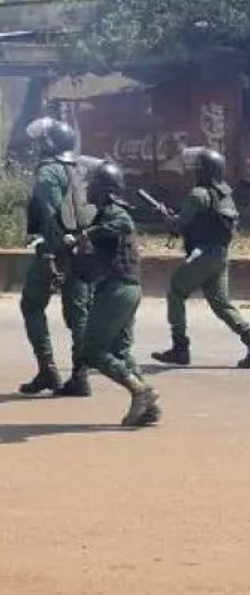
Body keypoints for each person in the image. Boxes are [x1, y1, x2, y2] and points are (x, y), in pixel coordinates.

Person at [149, 147, 250, 369]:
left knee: (176, 291)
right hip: (221, 255)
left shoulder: (198, 195)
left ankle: (180, 347)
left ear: (202, 171)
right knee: (222, 304)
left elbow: (179, 224)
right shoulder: (225, 195)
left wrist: (164, 215)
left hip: (202, 255)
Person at [72, 161, 162, 427]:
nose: (88, 188)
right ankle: (148, 407)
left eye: (93, 185)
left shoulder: (115, 213)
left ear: (104, 190)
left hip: (118, 289)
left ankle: (139, 390)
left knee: (91, 351)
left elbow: (119, 226)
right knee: (120, 351)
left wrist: (84, 235)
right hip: (124, 288)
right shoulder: (105, 215)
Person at [19, 117, 95, 397]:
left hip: (54, 250)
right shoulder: (79, 168)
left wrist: (52, 250)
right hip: (82, 248)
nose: (36, 146)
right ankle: (81, 375)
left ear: (48, 143)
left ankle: (47, 370)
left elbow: (49, 214)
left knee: (32, 305)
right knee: (79, 314)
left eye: (40, 142)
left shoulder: (48, 172)